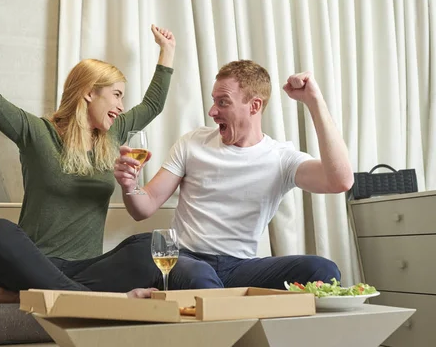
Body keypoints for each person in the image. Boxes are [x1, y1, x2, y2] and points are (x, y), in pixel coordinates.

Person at [0, 0, 175, 302]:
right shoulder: (35, 132)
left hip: (84, 270)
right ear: (89, 93)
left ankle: (28, 298)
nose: (121, 105)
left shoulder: (113, 135)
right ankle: (92, 302)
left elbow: (153, 104)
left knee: (146, 248)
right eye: (116, 95)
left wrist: (167, 51)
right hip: (30, 267)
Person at [114, 60, 353, 290]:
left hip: (240, 268)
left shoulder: (281, 158)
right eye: (213, 101)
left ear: (254, 106)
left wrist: (314, 101)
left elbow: (340, 181)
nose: (212, 111)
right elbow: (143, 208)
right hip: (187, 260)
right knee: (200, 276)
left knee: (322, 269)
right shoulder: (193, 143)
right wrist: (130, 185)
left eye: (223, 102)